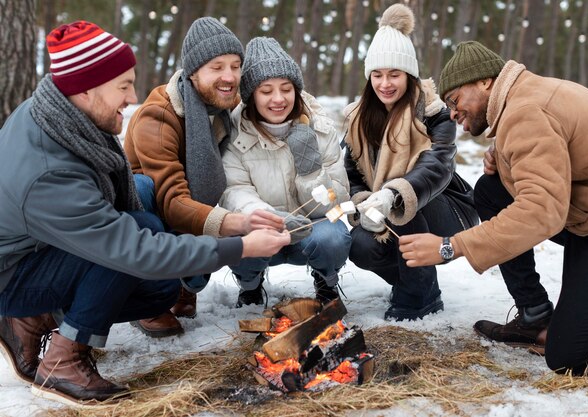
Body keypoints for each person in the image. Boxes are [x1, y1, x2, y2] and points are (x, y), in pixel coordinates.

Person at [0, 21, 290, 405]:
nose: (132, 96)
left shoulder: (57, 110)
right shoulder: (51, 175)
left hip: (33, 248)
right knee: (136, 258)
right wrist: (239, 245)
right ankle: (63, 361)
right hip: (12, 275)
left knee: (150, 248)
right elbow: (135, 249)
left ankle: (33, 319)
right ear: (85, 89)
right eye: (122, 86)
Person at [398, 40, 588, 375]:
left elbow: (541, 212)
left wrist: (451, 246)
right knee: (491, 190)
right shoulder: (524, 100)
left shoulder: (524, 112)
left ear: (485, 82)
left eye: (455, 99)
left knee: (571, 356)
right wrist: (504, 161)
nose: (452, 112)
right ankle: (535, 314)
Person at [124, 17, 285, 336]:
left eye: (235, 66)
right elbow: (171, 201)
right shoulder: (157, 117)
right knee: (142, 190)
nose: (229, 77)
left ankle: (187, 285)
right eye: (217, 67)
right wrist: (241, 224)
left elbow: (279, 102)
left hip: (193, 210)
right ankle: (145, 296)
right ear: (193, 72)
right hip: (154, 213)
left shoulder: (223, 107)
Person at [344, 4, 478, 321]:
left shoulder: (434, 113)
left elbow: (438, 166)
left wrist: (392, 194)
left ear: (409, 75)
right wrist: (365, 201)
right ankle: (411, 280)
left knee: (408, 204)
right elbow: (350, 172)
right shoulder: (358, 119)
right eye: (377, 75)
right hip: (385, 209)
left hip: (445, 211)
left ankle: (420, 298)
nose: (385, 83)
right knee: (360, 246)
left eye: (394, 74)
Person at [220, 37, 352, 305]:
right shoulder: (234, 134)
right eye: (266, 91)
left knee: (333, 234)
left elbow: (337, 199)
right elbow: (234, 192)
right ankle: (251, 285)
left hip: (311, 229)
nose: (278, 99)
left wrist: (310, 171)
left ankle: (326, 281)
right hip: (263, 232)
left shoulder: (320, 129)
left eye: (286, 89)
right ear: (251, 96)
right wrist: (269, 217)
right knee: (235, 234)